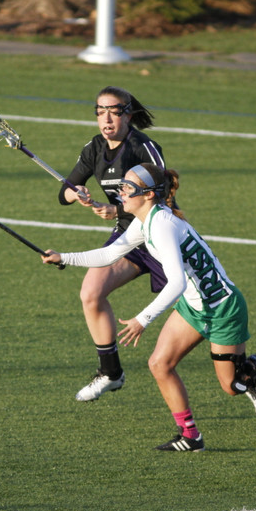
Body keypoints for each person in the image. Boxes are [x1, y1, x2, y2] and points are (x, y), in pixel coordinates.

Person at [43, 163, 256, 451]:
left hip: (223, 309)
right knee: (160, 364)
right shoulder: (145, 221)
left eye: (128, 188)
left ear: (148, 195)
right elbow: (110, 253)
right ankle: (190, 437)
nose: (120, 192)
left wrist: (142, 319)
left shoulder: (162, 226)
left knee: (233, 386)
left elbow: (176, 284)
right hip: (194, 308)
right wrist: (64, 257)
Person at [56, 87, 171, 402]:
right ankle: (111, 373)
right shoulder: (93, 148)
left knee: (202, 312)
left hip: (161, 235)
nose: (106, 118)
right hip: (127, 236)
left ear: (128, 114)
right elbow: (64, 192)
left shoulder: (143, 147)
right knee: (90, 294)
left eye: (114, 111)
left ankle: (246, 373)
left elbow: (166, 196)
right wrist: (76, 193)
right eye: (100, 111)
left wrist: (116, 209)